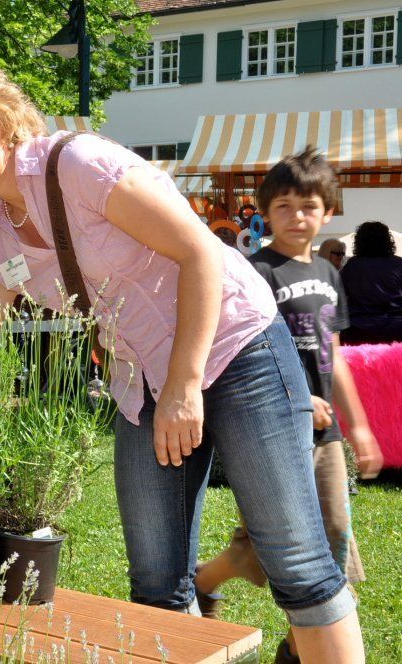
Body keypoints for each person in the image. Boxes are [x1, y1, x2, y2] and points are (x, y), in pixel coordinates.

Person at [0, 60, 365, 663]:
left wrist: (184, 386)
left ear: (2, 117)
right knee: (156, 584)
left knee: (296, 562)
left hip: (237, 349)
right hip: (141, 381)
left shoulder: (79, 163)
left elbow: (200, 252)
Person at [194, 148, 382, 663]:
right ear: (264, 212)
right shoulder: (254, 271)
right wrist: (299, 400)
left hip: (326, 435)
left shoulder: (329, 272)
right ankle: (208, 585)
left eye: (309, 206)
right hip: (271, 430)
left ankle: (298, 646)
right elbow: (238, 350)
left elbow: (334, 354)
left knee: (331, 535)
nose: (297, 216)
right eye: (284, 206)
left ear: (328, 211)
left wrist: (361, 427)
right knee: (276, 541)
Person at [339, 221, 402, 344]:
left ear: (359, 241)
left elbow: (341, 295)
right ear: (387, 240)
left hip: (358, 331)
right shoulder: (399, 264)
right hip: (395, 330)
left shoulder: (352, 265)